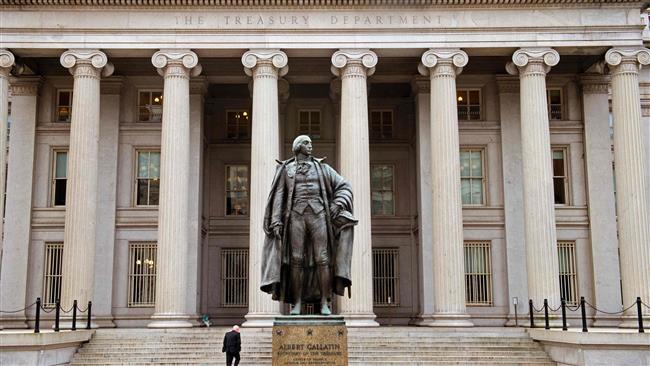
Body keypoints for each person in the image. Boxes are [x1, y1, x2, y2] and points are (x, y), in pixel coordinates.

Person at [260, 135, 357, 315]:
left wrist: (337, 203)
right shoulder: (286, 169)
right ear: (298, 147)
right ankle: (296, 303)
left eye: (311, 143)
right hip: (295, 216)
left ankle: (324, 302)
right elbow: (279, 196)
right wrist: (275, 221)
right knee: (296, 260)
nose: (311, 146)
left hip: (319, 215)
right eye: (306, 143)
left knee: (323, 259)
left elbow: (345, 186)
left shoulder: (323, 168)